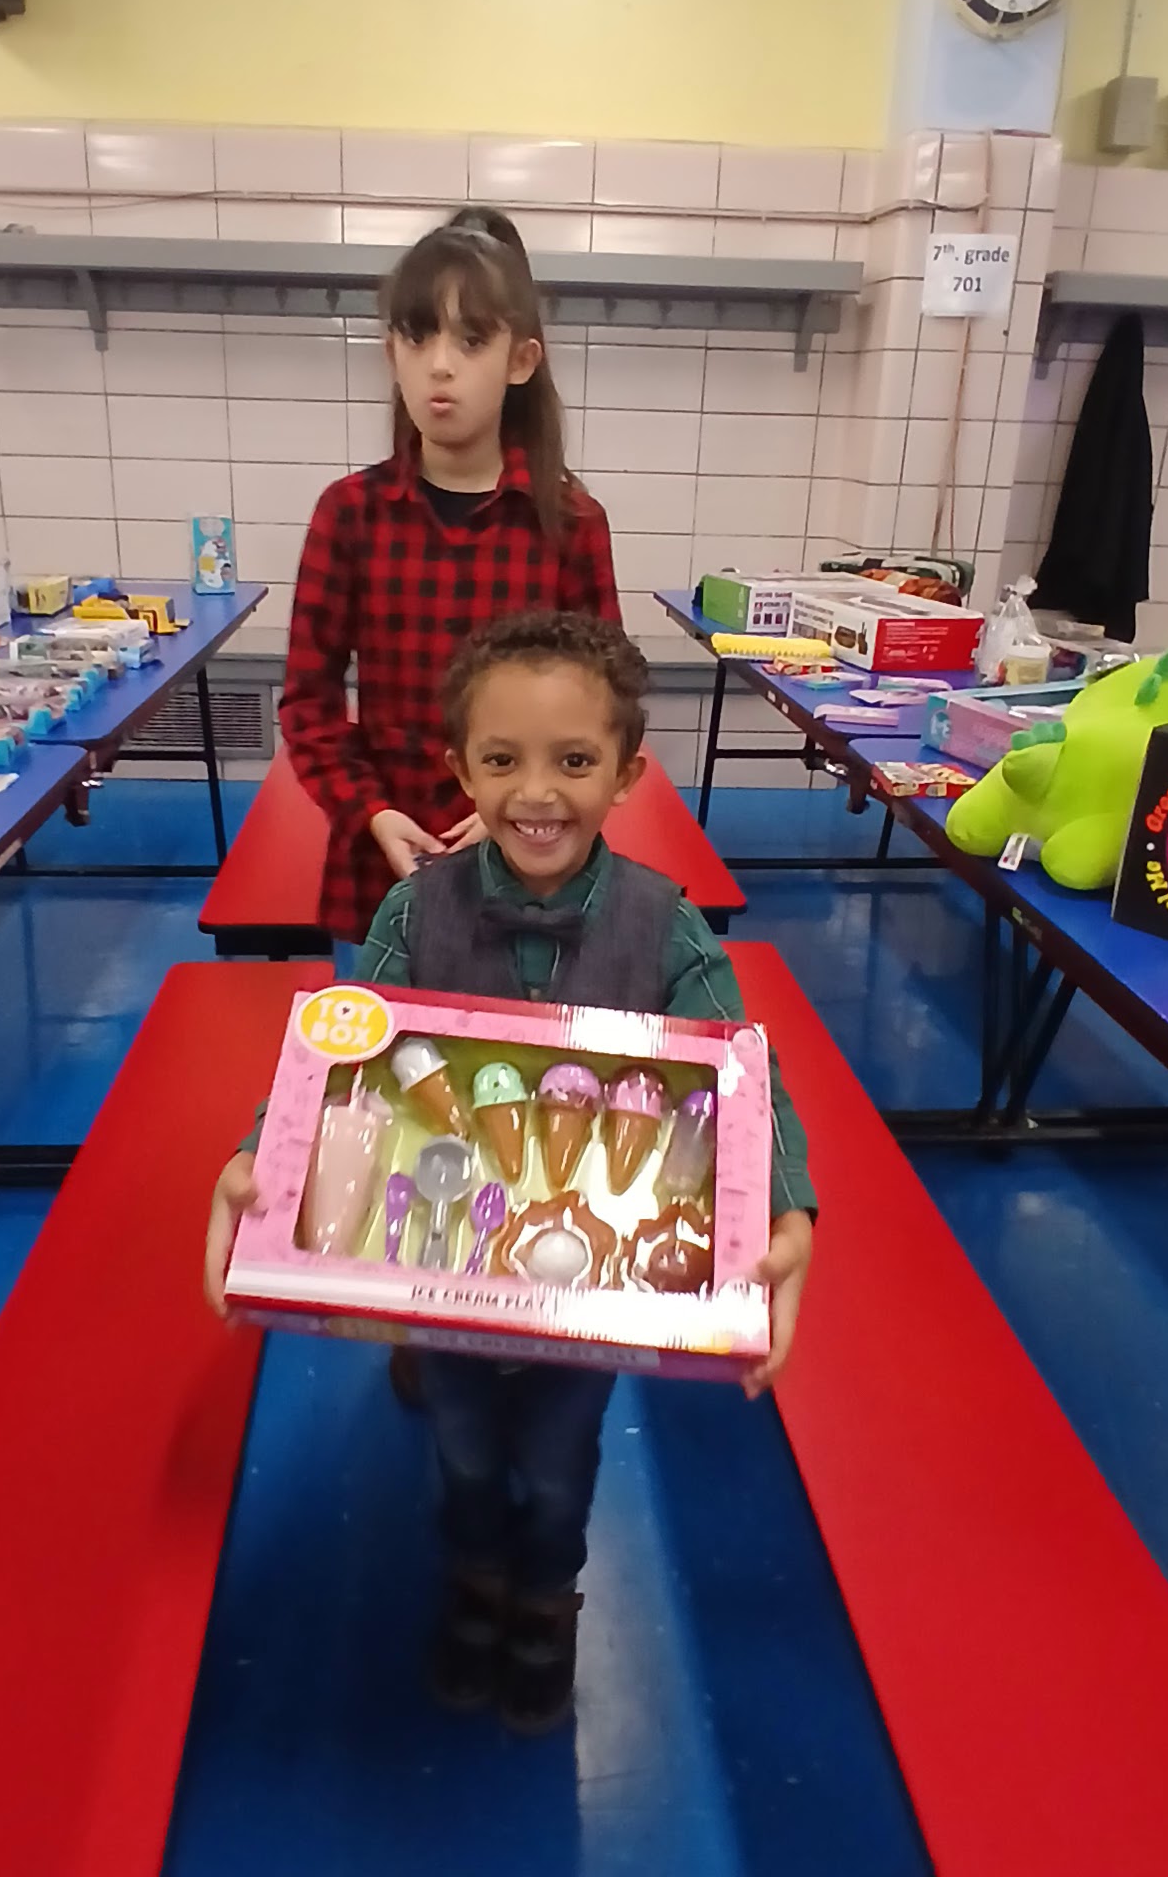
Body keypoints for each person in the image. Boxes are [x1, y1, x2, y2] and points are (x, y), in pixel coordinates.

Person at [203, 612, 817, 1735]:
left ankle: (546, 1596)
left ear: (627, 772)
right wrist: (260, 1154)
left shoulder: (666, 928)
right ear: (460, 769)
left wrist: (787, 1211)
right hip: (444, 1267)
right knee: (466, 1446)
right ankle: (475, 1575)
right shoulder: (416, 907)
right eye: (503, 759)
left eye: (574, 760)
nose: (538, 793)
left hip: (593, 1288)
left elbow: (744, 1083)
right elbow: (343, 1048)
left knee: (559, 1456)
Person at [278, 205, 620, 948]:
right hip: (384, 859)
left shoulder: (570, 523)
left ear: (520, 361)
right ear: (390, 353)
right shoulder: (350, 514)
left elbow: (605, 708)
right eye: (417, 336)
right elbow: (308, 701)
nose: (440, 364)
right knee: (380, 1021)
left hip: (530, 853)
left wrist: (518, 806)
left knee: (519, 1024)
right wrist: (370, 811)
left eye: (470, 340)